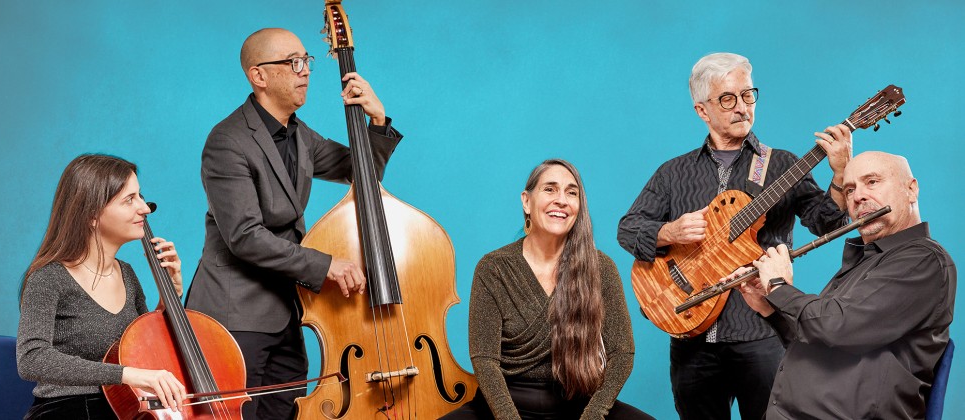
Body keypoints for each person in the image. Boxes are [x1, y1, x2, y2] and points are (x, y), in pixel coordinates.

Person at [617, 52, 853, 419]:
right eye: (728, 99)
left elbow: (829, 223)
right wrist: (669, 230)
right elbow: (628, 229)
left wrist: (840, 174)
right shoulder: (673, 173)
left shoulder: (781, 164)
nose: (742, 107)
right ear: (702, 110)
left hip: (761, 334)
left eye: (747, 95)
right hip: (691, 339)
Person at [184, 28, 402, 419]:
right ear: (259, 75)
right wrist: (326, 265)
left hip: (286, 312)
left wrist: (377, 120)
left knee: (286, 413)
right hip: (235, 315)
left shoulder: (299, 134)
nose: (305, 71)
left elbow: (361, 172)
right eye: (293, 62)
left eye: (307, 61)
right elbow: (245, 237)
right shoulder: (227, 141)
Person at [737, 151, 956, 419]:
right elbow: (819, 339)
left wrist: (778, 286)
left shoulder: (922, 259)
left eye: (872, 182)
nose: (858, 196)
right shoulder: (865, 261)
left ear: (911, 190)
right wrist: (769, 307)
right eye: (850, 189)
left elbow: (836, 328)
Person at [443, 159, 653, 420]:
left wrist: (594, 414)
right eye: (550, 189)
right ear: (526, 201)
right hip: (504, 404)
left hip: (578, 404)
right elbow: (485, 360)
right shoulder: (493, 267)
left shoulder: (601, 267)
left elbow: (622, 354)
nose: (561, 200)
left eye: (571, 192)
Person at [17, 154, 187, 419]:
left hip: (123, 406)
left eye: (140, 196)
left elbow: (144, 347)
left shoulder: (126, 274)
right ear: (92, 215)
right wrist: (126, 374)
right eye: (129, 200)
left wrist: (171, 293)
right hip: (67, 409)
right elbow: (32, 359)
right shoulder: (48, 277)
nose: (145, 208)